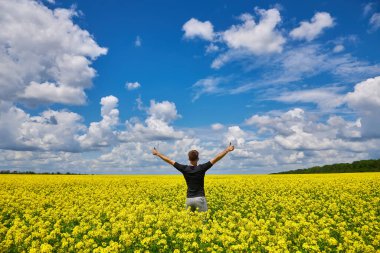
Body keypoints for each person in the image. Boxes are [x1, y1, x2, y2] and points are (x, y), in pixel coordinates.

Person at [152, 142, 235, 212]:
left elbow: (169, 161)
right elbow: (216, 158)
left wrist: (157, 153)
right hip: (200, 198)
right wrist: (227, 150)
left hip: (189, 199)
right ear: (198, 158)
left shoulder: (184, 169)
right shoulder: (202, 168)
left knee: (189, 224)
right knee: (203, 223)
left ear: (188, 159)